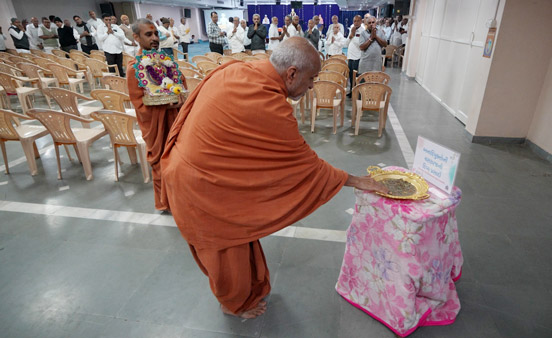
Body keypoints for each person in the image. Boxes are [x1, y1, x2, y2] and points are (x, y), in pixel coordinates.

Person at [159, 36, 387, 319]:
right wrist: (354, 180)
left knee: (242, 230)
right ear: (292, 74)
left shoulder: (237, 69)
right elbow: (304, 165)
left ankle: (249, 287)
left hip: (200, 169)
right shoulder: (268, 102)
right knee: (226, 249)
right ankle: (233, 305)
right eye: (311, 78)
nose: (313, 85)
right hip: (200, 186)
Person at [127, 18, 186, 212]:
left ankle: (183, 197)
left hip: (176, 119)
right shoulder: (134, 67)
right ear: (136, 37)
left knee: (180, 161)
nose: (154, 38)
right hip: (157, 124)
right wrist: (164, 106)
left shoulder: (166, 60)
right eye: (148, 34)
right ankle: (166, 202)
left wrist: (179, 97)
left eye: (155, 34)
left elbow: (181, 85)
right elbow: (138, 103)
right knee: (161, 162)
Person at [346, 15, 364, 92]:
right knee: (350, 75)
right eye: (354, 21)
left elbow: (361, 45)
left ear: (361, 21)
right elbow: (346, 43)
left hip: (357, 57)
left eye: (357, 21)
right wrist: (351, 35)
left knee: (356, 76)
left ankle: (356, 91)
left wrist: (353, 36)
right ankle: (351, 90)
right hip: (350, 56)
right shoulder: (352, 29)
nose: (356, 23)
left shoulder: (363, 31)